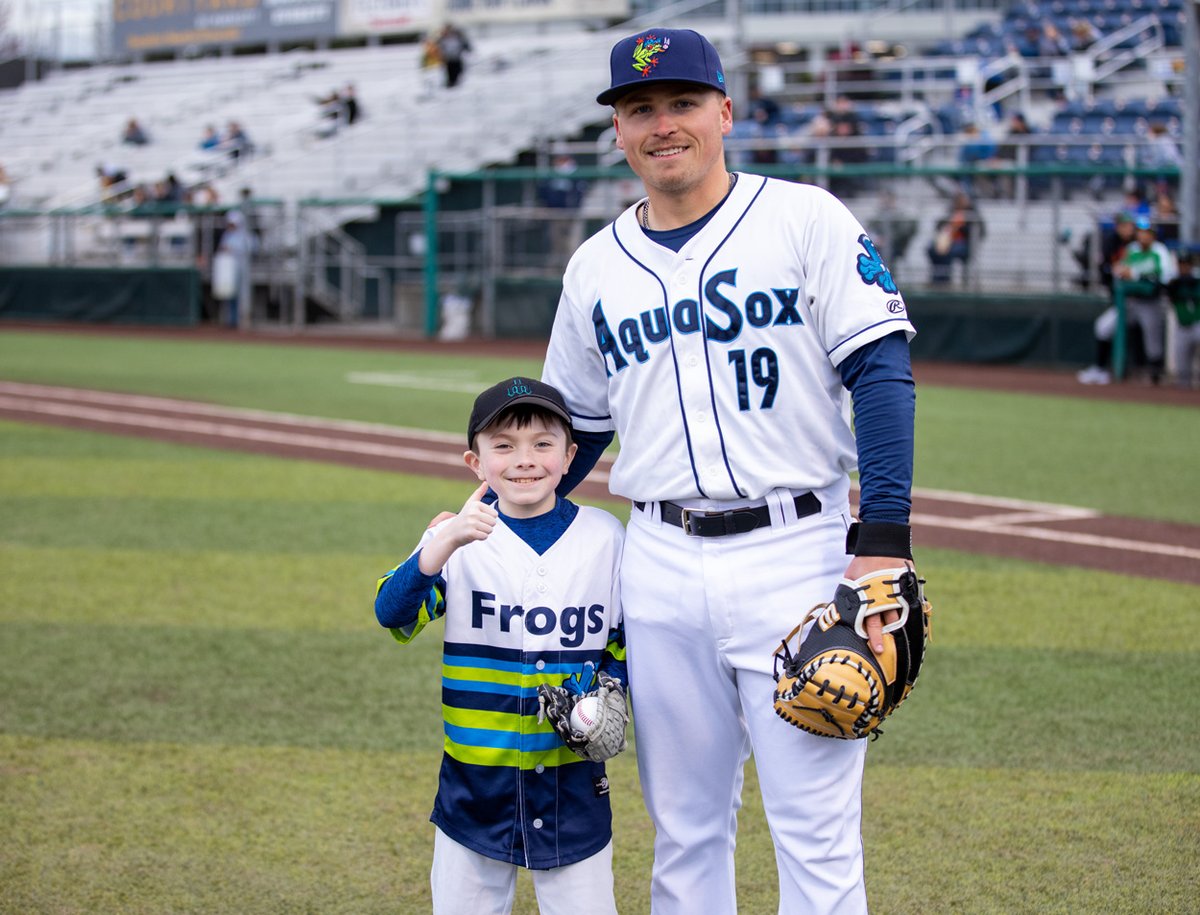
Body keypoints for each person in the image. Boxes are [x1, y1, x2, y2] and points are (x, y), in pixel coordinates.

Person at [540, 28, 920, 915]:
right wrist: (503, 522)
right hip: (660, 563)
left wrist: (884, 538)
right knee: (684, 831)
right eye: (640, 110)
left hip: (798, 555)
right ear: (620, 132)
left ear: (724, 112)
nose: (661, 124)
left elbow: (881, 368)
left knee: (816, 832)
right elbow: (574, 431)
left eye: (680, 103)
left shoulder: (804, 217)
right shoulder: (594, 268)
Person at [375, 378, 627, 915]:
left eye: (542, 443)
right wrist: (438, 547)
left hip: (572, 785)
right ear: (476, 462)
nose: (525, 460)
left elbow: (622, 644)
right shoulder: (456, 539)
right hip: (474, 787)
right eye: (504, 446)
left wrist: (607, 692)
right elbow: (391, 613)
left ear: (569, 455)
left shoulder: (605, 537)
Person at [1077, 217, 1177, 384]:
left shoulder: (1160, 251)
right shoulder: (1132, 249)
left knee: (1153, 341)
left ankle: (1155, 377)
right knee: (1103, 326)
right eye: (1141, 233)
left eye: (1146, 233)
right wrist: (1122, 272)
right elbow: (1119, 271)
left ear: (1153, 235)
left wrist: (1137, 275)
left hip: (1150, 302)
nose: (1143, 236)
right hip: (1129, 302)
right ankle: (1100, 368)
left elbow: (1167, 276)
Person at [927, 190, 985, 285]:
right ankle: (937, 278)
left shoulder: (972, 213)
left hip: (964, 244)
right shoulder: (951, 212)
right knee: (932, 249)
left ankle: (944, 281)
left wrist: (961, 227)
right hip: (947, 241)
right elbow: (939, 226)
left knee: (948, 251)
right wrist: (948, 224)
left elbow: (981, 232)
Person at [1167, 252, 1200, 388]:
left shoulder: (1196, 282)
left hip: (1198, 325)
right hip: (1181, 326)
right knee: (1182, 371)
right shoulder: (1174, 284)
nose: (1184, 267)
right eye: (1181, 264)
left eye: (1186, 264)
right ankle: (1182, 400)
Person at [437, 23, 471, 89]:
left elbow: (464, 44)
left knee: (458, 70)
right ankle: (451, 83)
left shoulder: (458, 36)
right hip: (448, 59)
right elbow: (439, 46)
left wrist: (467, 49)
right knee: (450, 71)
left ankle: (455, 82)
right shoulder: (443, 38)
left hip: (456, 58)